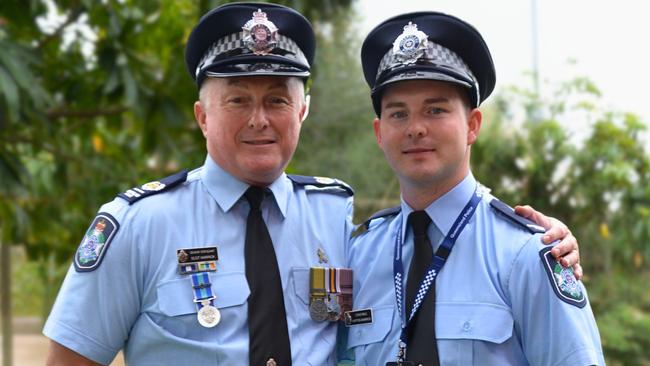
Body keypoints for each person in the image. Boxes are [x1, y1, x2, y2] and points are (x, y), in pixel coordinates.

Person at [42, 3, 582, 366]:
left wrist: (544, 248)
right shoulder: (139, 225)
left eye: (277, 99)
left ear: (303, 111)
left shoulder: (337, 225)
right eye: (237, 99)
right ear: (202, 116)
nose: (259, 119)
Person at [346, 11, 604, 366]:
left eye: (435, 110)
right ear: (379, 133)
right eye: (398, 113)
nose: (415, 128)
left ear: (472, 125)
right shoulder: (359, 256)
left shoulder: (527, 253)